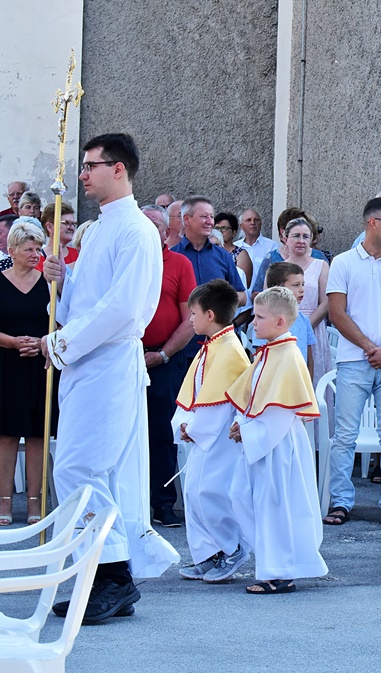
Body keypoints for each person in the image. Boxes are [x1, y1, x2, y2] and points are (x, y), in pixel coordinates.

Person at [42, 132, 178, 623]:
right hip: (85, 364)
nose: (82, 174)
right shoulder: (96, 231)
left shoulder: (137, 231)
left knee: (80, 468)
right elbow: (87, 300)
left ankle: (114, 576)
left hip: (109, 361)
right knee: (84, 468)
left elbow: (124, 309)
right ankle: (99, 572)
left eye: (90, 165)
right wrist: (65, 280)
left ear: (117, 168)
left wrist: (61, 342)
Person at [226, 287, 328, 594]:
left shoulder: (288, 355)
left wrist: (248, 431)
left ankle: (281, 572)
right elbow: (253, 396)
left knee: (277, 506)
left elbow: (281, 413)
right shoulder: (271, 351)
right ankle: (272, 563)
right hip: (265, 444)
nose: (253, 323)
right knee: (244, 496)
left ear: (281, 322)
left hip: (280, 448)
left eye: (259, 317)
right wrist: (240, 422)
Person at [325, 197, 381, 527]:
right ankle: (341, 502)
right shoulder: (345, 263)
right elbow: (337, 313)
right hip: (353, 360)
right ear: (372, 222)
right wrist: (369, 347)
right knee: (345, 435)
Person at [173, 280, 251, 583]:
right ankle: (208, 553)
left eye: (193, 313)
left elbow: (219, 403)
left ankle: (233, 548)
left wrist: (194, 427)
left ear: (209, 315)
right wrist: (183, 421)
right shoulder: (213, 346)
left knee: (212, 492)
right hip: (204, 435)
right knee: (194, 492)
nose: (189, 319)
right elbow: (195, 391)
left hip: (219, 439)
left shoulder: (229, 349)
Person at [140, 204, 197, 527]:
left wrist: (162, 354)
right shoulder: (126, 259)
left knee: (162, 433)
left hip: (164, 360)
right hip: (124, 358)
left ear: (165, 232)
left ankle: (162, 503)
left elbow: (189, 318)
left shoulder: (178, 263)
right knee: (125, 432)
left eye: (154, 227)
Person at [0, 223, 50, 526]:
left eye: (38, 248)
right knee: (5, 435)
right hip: (6, 364)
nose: (36, 254)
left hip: (39, 365)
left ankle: (35, 502)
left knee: (36, 435)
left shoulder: (48, 283)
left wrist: (41, 343)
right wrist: (12, 342)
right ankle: (4, 501)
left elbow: (59, 321)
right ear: (13, 250)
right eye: (29, 249)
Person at [171, 195, 247, 355]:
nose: (210, 222)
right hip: (181, 348)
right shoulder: (172, 256)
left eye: (211, 217)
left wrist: (219, 298)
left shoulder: (223, 256)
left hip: (217, 346)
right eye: (204, 216)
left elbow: (242, 297)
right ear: (187, 219)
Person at [279, 218, 330, 385]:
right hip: (284, 330)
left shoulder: (321, 265)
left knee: (312, 379)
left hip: (314, 327)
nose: (301, 241)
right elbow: (269, 302)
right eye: (296, 236)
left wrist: (305, 326)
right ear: (286, 238)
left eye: (305, 236)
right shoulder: (277, 269)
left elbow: (326, 303)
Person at [251, 262, 317, 378]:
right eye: (296, 285)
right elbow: (259, 360)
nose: (302, 289)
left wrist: (308, 387)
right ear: (278, 287)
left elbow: (309, 361)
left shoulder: (304, 320)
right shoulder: (264, 320)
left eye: (303, 284)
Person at [250, 208, 328, 295]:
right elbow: (258, 292)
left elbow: (327, 297)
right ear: (284, 233)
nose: (301, 240)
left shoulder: (319, 257)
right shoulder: (271, 258)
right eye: (296, 234)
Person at [236, 209, 275, 286]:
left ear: (261, 223)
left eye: (256, 220)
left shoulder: (272, 246)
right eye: (248, 220)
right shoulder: (236, 247)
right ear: (241, 226)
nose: (253, 223)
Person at [37, 203, 79, 270]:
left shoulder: (77, 255)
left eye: (73, 223)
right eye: (67, 223)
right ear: (50, 227)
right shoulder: (37, 259)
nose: (72, 228)